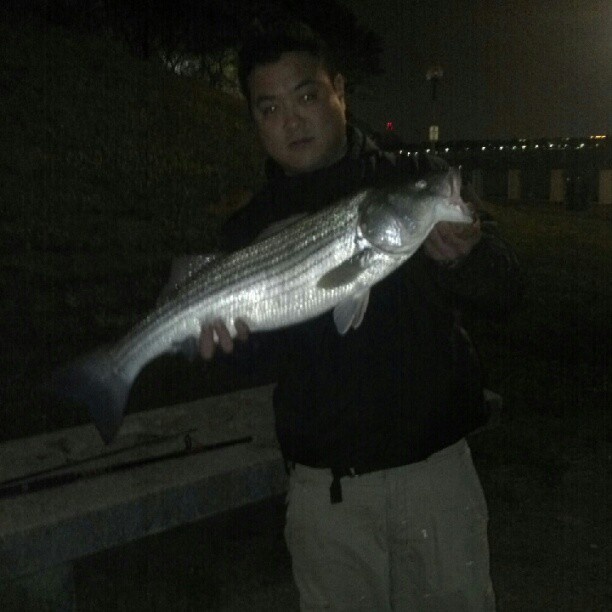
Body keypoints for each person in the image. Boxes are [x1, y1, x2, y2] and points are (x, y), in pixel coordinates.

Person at [199, 20, 521, 611]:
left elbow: (506, 296)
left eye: (307, 95)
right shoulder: (246, 232)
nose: (293, 119)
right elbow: (263, 361)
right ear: (256, 122)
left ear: (339, 91)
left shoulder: (412, 183)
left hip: (435, 479)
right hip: (326, 496)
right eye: (269, 107)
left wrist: (469, 257)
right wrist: (229, 347)